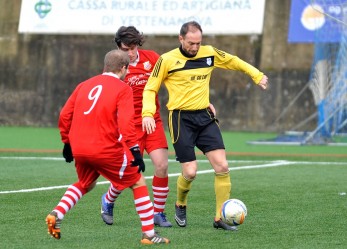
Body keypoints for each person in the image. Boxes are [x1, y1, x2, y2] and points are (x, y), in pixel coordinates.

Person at [142, 21, 268, 231]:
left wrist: (256, 75)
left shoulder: (209, 53)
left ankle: (220, 218)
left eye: (198, 43)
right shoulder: (166, 60)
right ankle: (180, 203)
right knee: (190, 172)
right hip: (181, 119)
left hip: (205, 116)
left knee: (223, 166)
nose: (195, 47)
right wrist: (147, 113)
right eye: (191, 43)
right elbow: (150, 88)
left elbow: (234, 61)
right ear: (181, 39)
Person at [45, 49, 170, 245]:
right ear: (123, 68)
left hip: (80, 148)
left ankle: (57, 214)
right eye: (127, 69)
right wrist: (135, 151)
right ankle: (149, 235)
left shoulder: (83, 85)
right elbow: (127, 123)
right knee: (137, 182)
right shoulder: (123, 89)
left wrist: (66, 143)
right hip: (105, 149)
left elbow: (64, 115)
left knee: (85, 183)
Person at [100, 26, 172, 227]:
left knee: (162, 165)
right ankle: (108, 199)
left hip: (152, 121)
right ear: (118, 47)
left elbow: (172, 80)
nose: (130, 53)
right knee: (127, 173)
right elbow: (107, 95)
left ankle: (158, 213)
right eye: (125, 49)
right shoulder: (115, 66)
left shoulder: (152, 59)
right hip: (128, 127)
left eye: (133, 48)